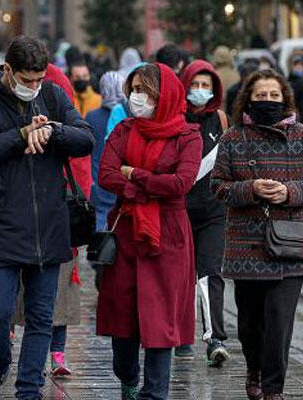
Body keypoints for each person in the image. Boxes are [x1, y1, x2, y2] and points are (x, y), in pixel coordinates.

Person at [0, 36, 94, 399]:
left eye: (39, 79)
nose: (33, 87)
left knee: (40, 318)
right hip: (0, 225)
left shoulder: (53, 96)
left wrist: (55, 131)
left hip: (48, 225)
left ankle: (28, 390)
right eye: (26, 80)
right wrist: (20, 136)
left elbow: (86, 138)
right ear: (7, 70)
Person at [96, 63, 201, 400]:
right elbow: (108, 174)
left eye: (144, 90)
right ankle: (127, 377)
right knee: (123, 319)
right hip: (126, 230)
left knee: (161, 320)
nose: (136, 97)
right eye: (134, 89)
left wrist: (135, 176)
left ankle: (154, 394)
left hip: (167, 234)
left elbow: (180, 183)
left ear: (163, 94)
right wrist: (144, 186)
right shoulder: (124, 130)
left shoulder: (188, 136)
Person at [211, 68, 303, 400]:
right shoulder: (234, 138)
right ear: (248, 99)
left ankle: (273, 390)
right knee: (250, 325)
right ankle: (254, 369)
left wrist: (289, 192)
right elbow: (217, 187)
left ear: (285, 99)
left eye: (274, 96)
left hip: (290, 246)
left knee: (279, 325)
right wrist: (250, 189)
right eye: (261, 96)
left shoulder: (300, 136)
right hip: (245, 247)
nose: (267, 101)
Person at [177, 60, 231, 365]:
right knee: (181, 277)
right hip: (179, 211)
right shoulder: (173, 120)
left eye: (205, 86)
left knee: (210, 273)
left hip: (214, 212)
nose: (199, 91)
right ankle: (180, 335)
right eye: (194, 85)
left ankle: (215, 339)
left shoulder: (221, 121)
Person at [86, 71, 127, 232]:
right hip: (121, 174)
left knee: (100, 217)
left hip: (98, 175)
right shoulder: (126, 115)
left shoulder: (92, 116)